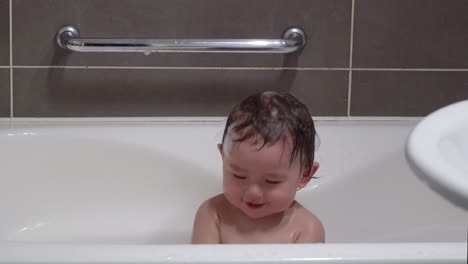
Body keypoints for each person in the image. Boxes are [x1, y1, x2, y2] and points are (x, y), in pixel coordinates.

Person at [191, 91, 325, 244]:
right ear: (224, 158)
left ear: (305, 175)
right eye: (239, 176)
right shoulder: (212, 214)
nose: (253, 192)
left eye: (271, 181)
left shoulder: (306, 229)